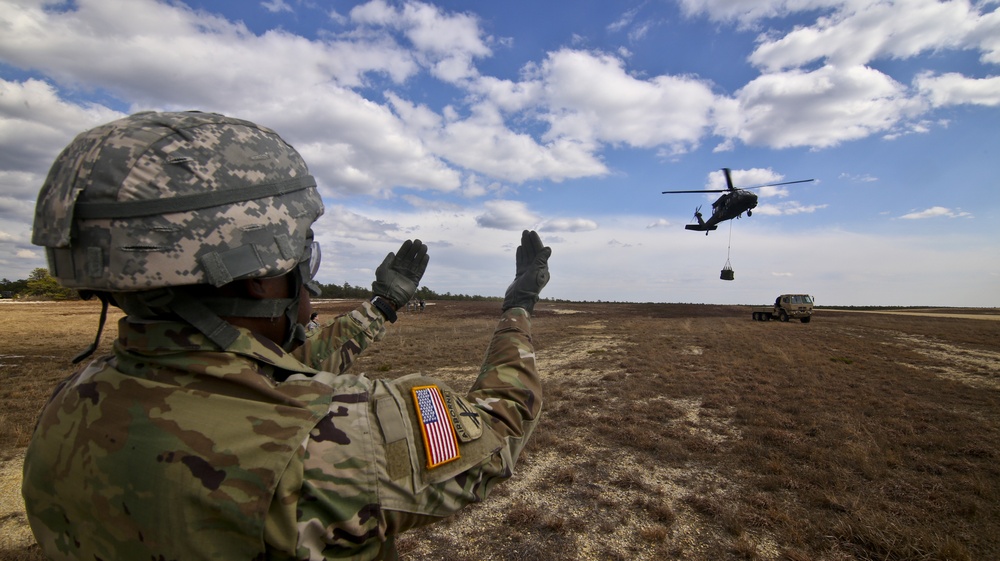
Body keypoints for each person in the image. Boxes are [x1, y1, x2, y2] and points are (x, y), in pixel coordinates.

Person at [22, 111, 552, 560]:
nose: (308, 282)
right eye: (301, 259)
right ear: (257, 276)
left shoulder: (72, 403)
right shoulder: (324, 440)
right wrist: (518, 308)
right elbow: (501, 426)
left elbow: (276, 365)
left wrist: (382, 307)